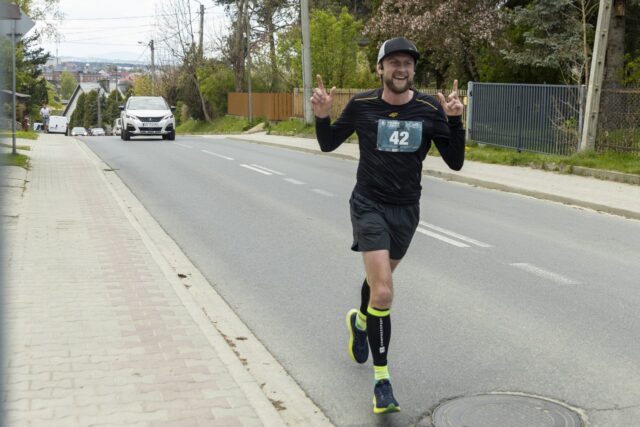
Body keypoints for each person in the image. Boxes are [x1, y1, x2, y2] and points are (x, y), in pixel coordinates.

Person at [310, 37, 465, 415]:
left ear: (413, 70)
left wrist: (456, 120)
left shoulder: (430, 107)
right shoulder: (363, 105)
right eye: (393, 62)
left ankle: (359, 322)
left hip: (406, 210)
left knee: (379, 289)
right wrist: (323, 115)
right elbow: (329, 143)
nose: (401, 69)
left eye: (407, 64)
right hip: (368, 204)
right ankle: (382, 381)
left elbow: (455, 162)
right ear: (380, 68)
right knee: (383, 292)